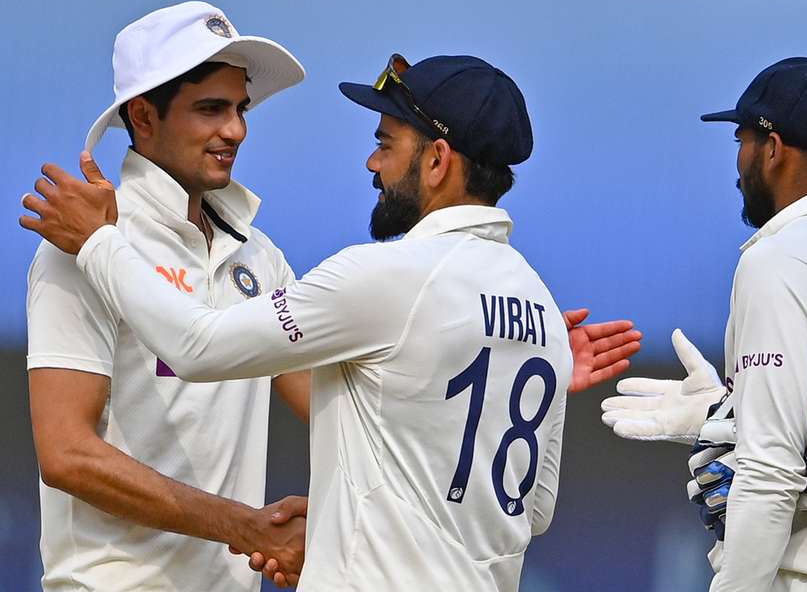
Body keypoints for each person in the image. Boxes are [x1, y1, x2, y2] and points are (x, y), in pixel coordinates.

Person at [20, 52, 637, 591]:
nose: (371, 163)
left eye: (385, 142)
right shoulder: (534, 305)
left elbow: (197, 346)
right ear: (145, 117)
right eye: (213, 108)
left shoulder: (349, 269)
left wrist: (100, 246)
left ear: (437, 161)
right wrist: (484, 352)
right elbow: (534, 511)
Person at [24, 2, 312, 590]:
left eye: (240, 108)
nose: (235, 130)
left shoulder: (262, 257)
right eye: (211, 108)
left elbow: (335, 406)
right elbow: (66, 455)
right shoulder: (78, 245)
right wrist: (247, 528)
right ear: (143, 116)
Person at [602, 58, 807, 591]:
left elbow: (771, 472)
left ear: (773, 148)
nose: (737, 162)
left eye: (741, 140)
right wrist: (733, 410)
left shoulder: (781, 258)